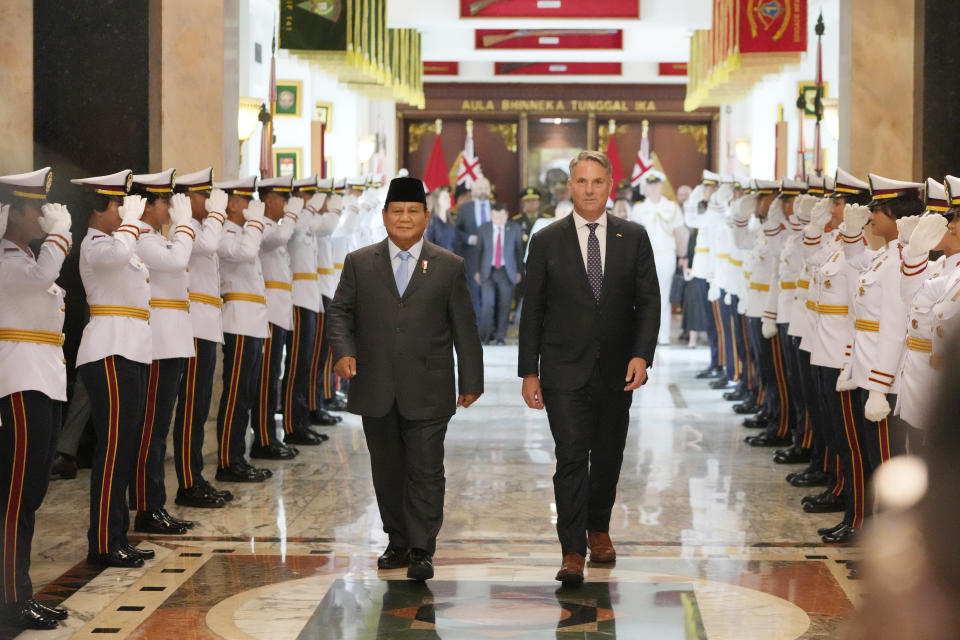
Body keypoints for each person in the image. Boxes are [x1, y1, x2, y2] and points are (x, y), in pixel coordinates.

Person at [327, 176, 484, 582]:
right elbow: (340, 312)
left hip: (429, 388)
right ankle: (396, 540)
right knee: (387, 468)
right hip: (375, 385)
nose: (404, 218)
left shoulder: (449, 265)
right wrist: (344, 351)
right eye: (397, 210)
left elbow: (465, 327)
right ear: (384, 217)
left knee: (426, 469)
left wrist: (471, 379)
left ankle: (422, 548)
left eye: (413, 211)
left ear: (426, 217)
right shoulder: (360, 262)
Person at [519, 150, 660, 585]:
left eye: (597, 181)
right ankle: (572, 550)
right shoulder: (545, 240)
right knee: (570, 456)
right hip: (563, 370)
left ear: (609, 185)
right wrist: (529, 371)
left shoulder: (633, 237)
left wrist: (642, 354)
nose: (589, 190)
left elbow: (649, 302)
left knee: (610, 456)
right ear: (570, 187)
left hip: (618, 370)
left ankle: (599, 528)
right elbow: (533, 311)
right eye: (581, 181)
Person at [0, 168, 73, 630]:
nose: (41, 216)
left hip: (43, 380)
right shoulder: (7, 260)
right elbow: (44, 274)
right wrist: (61, 236)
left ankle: (19, 591)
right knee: (15, 497)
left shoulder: (22, 257)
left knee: (31, 494)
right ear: (13, 213)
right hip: (20, 382)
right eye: (34, 208)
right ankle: (11, 600)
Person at [71, 169, 154, 568]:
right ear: (101, 208)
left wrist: (131, 226)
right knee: (114, 448)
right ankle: (103, 541)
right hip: (109, 351)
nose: (126, 210)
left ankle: (117, 534)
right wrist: (134, 224)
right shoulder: (96, 245)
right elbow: (118, 257)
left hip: (130, 349)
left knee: (125, 448)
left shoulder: (120, 241)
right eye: (121, 203)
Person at [127, 169, 197, 536]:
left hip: (171, 340)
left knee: (159, 427)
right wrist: (185, 227)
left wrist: (178, 230)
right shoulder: (139, 236)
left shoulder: (154, 235)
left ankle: (155, 504)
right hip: (157, 343)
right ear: (147, 206)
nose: (170, 206)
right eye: (164, 201)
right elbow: (174, 261)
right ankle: (145, 506)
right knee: (150, 429)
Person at [170, 168, 233, 509]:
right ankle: (188, 482)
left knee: (200, 405)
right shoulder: (188, 229)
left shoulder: (201, 226)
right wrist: (219, 212)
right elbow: (210, 243)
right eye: (202, 196)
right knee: (191, 406)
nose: (209, 202)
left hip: (207, 324)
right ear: (185, 198)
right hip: (193, 326)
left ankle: (196, 475)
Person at [214, 176, 273, 483]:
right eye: (246, 201)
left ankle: (239, 456)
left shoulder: (241, 231)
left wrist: (252, 223)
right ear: (233, 204)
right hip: (237, 320)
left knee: (246, 394)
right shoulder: (226, 234)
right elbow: (246, 253)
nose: (252, 207)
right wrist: (255, 223)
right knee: (236, 394)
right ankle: (228, 460)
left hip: (252, 319)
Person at [629, 172, 687, 345]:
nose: (653, 188)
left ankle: (663, 335)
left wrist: (682, 255)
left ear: (661, 186)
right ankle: (645, 336)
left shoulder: (672, 207)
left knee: (663, 295)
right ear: (646, 186)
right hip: (644, 258)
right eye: (650, 185)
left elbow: (680, 233)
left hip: (666, 256)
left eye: (656, 184)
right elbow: (633, 237)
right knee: (643, 296)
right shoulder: (639, 208)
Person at [475, 203, 523, 345]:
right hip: (487, 271)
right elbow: (478, 251)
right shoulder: (484, 229)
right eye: (496, 216)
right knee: (487, 304)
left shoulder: (514, 228)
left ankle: (500, 337)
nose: (499, 219)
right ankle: (487, 336)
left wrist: (519, 271)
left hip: (506, 271)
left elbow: (519, 252)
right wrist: (477, 271)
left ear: (507, 215)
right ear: (491, 215)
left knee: (504, 305)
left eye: (502, 215)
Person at [454, 176, 493, 314]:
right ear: (474, 190)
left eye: (485, 188)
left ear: (489, 190)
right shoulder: (465, 209)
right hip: (471, 257)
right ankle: (475, 330)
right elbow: (456, 231)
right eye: (480, 188)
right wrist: (469, 238)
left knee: (489, 298)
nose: (483, 191)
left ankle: (488, 331)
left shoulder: (496, 209)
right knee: (473, 295)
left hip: (492, 259)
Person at [424, 186, 456, 252]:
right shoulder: (431, 221)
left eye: (449, 197)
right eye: (445, 197)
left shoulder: (451, 220)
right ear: (437, 200)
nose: (449, 199)